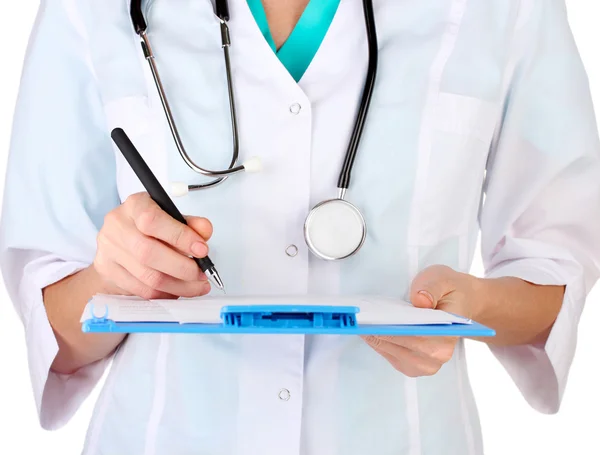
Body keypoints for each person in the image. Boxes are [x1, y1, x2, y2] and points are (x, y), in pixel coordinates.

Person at [1, 0, 599, 454]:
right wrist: (117, 277)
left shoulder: (507, 10)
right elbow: (54, 329)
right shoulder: (86, 11)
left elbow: (556, 269)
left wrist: (472, 306)